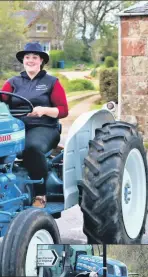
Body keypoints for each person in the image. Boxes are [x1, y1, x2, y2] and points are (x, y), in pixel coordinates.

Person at [1, 42, 68, 208]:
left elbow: (63, 110)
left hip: (44, 127)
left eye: (34, 57)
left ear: (41, 61)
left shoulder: (52, 82)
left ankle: (40, 194)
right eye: (27, 57)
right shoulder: (12, 82)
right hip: (18, 127)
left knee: (31, 147)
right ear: (23, 60)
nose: (30, 60)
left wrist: (44, 110)